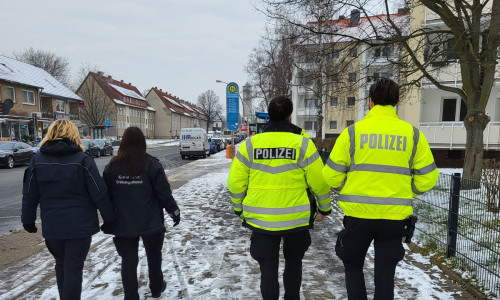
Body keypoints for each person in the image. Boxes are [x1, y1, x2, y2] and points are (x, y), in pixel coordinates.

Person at [322, 78, 439, 300]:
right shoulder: (412, 134)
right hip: (394, 218)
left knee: (353, 265)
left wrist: (349, 188)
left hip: (358, 216)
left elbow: (330, 175)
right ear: (396, 101)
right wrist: (406, 190)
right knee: (386, 273)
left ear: (371, 102)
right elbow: (428, 177)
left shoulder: (352, 133)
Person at [227, 95, 332, 300]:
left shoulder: (250, 144)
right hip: (296, 221)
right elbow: (320, 182)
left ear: (269, 115)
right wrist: (324, 208)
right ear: (290, 116)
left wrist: (239, 208)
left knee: (267, 269)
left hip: (261, 221)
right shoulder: (303, 144)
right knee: (294, 264)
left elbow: (234, 183)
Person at [21, 119, 115, 300]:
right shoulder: (83, 160)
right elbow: (99, 192)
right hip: (80, 227)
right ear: (74, 134)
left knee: (61, 264)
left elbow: (29, 193)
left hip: (53, 227)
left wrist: (28, 220)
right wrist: (109, 218)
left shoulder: (37, 161)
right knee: (73, 268)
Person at [102, 126, 180, 300]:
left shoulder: (112, 168)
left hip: (123, 223)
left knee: (128, 261)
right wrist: (174, 212)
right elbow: (164, 194)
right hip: (150, 221)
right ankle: (156, 287)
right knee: (154, 255)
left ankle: (131, 296)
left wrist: (108, 218)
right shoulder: (152, 165)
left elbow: (105, 196)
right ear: (143, 143)